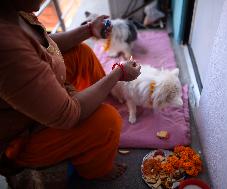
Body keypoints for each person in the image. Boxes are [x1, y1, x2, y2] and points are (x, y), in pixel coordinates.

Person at [0, 0, 141, 181]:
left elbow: (47, 44)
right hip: (22, 137)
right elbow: (68, 114)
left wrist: (89, 30)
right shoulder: (7, 47)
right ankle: (98, 170)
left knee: (82, 53)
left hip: (40, 102)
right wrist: (118, 73)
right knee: (108, 121)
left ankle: (98, 100)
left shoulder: (14, 10)